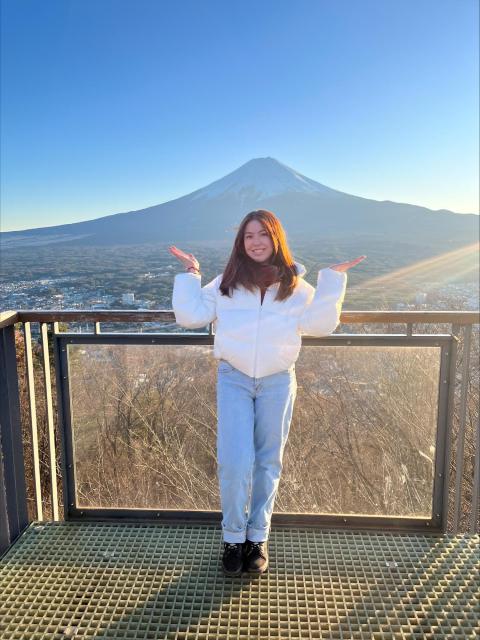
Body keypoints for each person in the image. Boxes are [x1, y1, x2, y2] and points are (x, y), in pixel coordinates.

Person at [169, 209, 366, 577]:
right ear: (240, 243)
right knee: (234, 461)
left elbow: (318, 325)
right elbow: (190, 316)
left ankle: (257, 537)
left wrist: (332, 281)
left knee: (268, 461)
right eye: (248, 236)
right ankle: (232, 537)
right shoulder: (225, 282)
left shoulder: (296, 287)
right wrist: (191, 274)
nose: (256, 242)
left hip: (277, 379)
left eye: (263, 234)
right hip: (234, 377)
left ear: (276, 239)